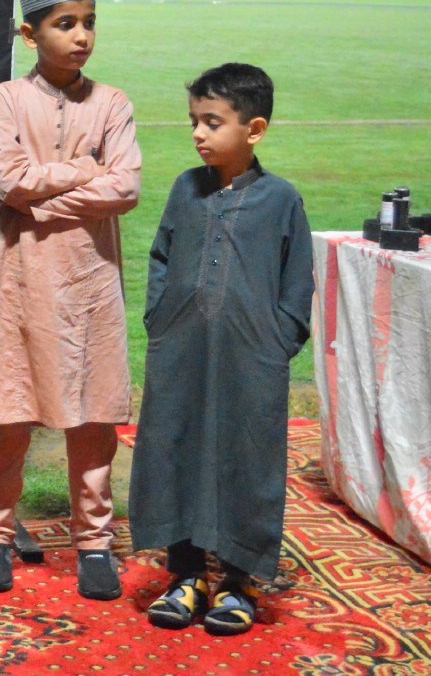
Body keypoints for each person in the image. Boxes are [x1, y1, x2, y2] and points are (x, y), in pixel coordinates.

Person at [0, 0, 141, 601]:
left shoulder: (112, 103)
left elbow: (126, 187)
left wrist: (43, 199)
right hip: (23, 278)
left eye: (89, 23)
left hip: (90, 279)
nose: (81, 36)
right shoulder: (6, 99)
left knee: (94, 415)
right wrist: (84, 170)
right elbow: (9, 182)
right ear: (29, 33)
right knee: (10, 411)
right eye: (66, 24)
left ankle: (94, 541)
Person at [130, 62, 313, 635]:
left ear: (254, 129)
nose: (198, 133)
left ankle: (238, 582)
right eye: (194, 121)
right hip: (180, 349)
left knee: (246, 457)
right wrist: (161, 320)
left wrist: (276, 342)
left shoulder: (281, 199)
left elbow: (297, 283)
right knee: (175, 445)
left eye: (212, 122)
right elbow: (161, 257)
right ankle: (186, 575)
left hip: (252, 358)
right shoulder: (186, 189)